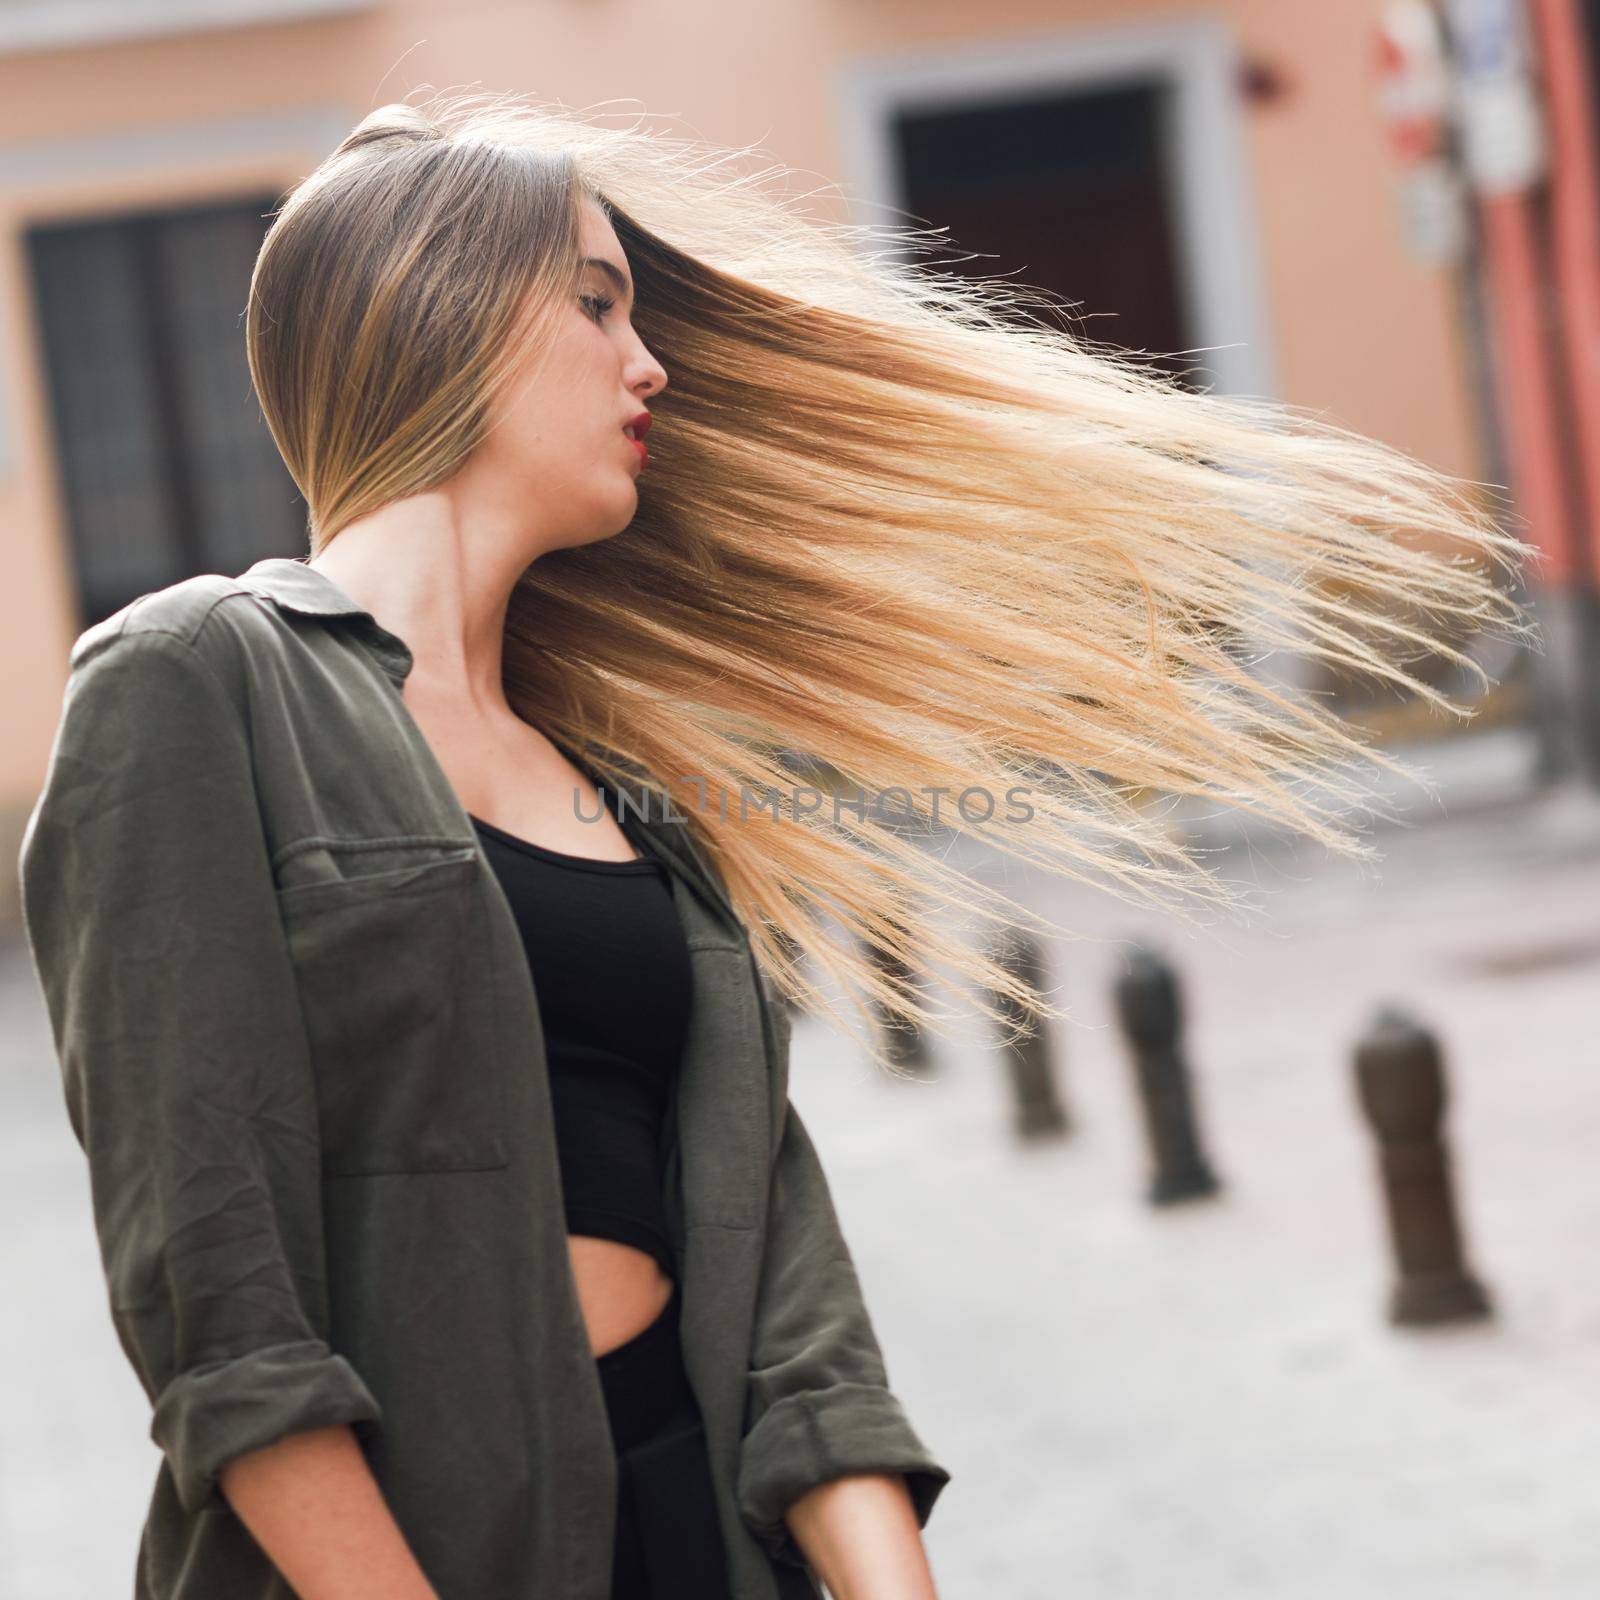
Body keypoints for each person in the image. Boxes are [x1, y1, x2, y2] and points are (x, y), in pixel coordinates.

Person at [18, 86, 1533, 1600]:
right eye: (598, 303)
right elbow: (227, 1328)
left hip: (705, 1536)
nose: (647, 360)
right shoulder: (199, 682)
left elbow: (786, 1276)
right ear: (446, 311)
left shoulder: (625, 783)